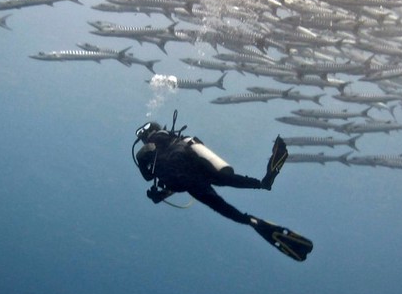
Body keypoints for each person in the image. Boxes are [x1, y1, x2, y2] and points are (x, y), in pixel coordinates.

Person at [132, 111, 313, 261]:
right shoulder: (177, 140)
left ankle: (251, 221)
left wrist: (158, 195)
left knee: (220, 206)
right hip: (199, 169)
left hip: (187, 182)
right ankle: (263, 183)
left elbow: (153, 177)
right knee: (227, 179)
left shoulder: (147, 153)